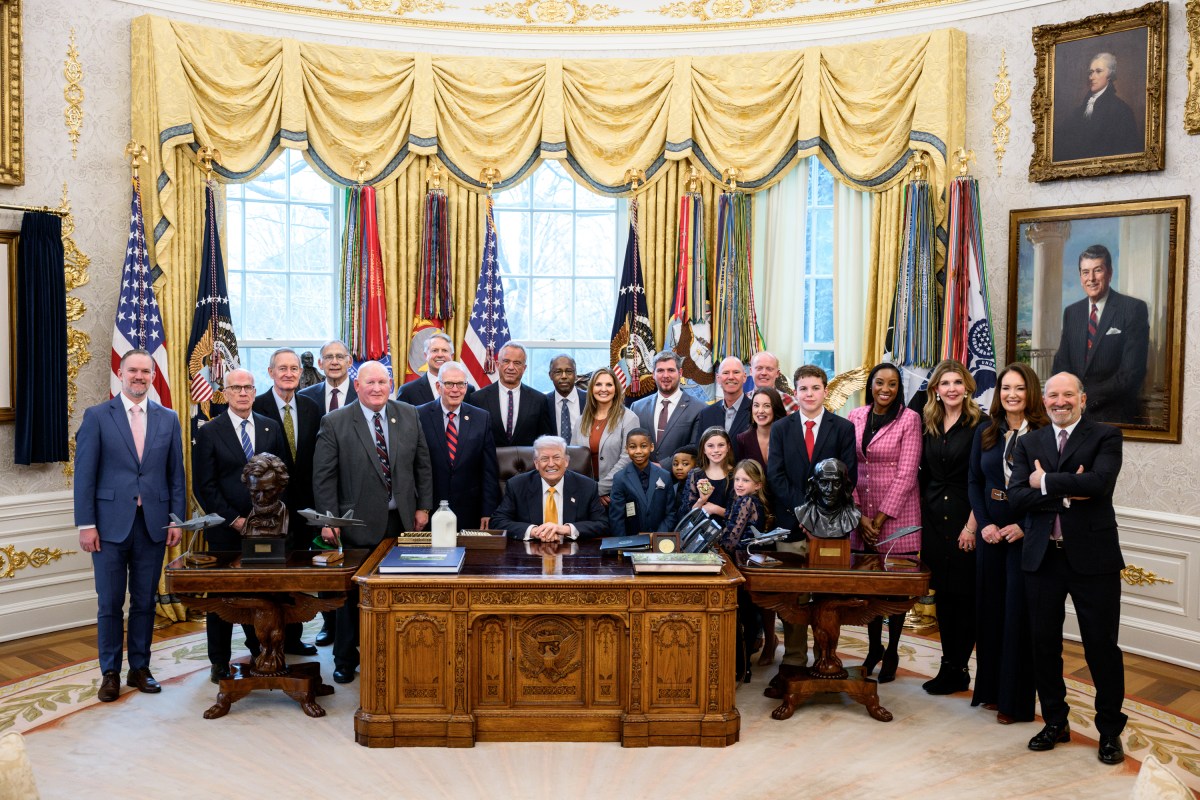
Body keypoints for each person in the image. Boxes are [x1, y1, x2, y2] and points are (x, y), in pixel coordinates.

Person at [1009, 372, 1128, 765]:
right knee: (1044, 645)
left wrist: (1044, 481)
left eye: (1067, 395)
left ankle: (1109, 731)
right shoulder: (1029, 442)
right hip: (1043, 558)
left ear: (1082, 398)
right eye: (1052, 395)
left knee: (1101, 648)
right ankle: (1055, 721)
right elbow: (1017, 497)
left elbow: (1098, 484)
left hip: (1094, 560)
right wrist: (1065, 491)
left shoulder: (1106, 436)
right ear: (1044, 401)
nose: (1060, 401)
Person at [74, 349, 185, 702]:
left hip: (152, 525)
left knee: (144, 602)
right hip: (107, 527)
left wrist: (176, 519)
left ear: (153, 376)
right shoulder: (97, 417)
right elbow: (85, 476)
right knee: (109, 604)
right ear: (120, 374)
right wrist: (86, 524)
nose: (139, 377)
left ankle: (140, 667)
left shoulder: (168, 418)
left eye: (146, 372)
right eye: (133, 370)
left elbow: (176, 476)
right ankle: (109, 673)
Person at [312, 360, 433, 684]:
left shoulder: (408, 413)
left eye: (383, 382)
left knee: (398, 595)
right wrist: (329, 518)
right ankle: (345, 659)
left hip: (403, 523)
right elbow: (324, 477)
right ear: (357, 386)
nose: (377, 388)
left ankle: (395, 654)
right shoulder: (335, 421)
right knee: (350, 597)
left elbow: (422, 465)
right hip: (355, 524)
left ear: (390, 384)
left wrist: (424, 507)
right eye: (371, 383)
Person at [191, 367, 286, 682]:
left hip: (267, 531)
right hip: (225, 531)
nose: (243, 393)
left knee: (259, 595)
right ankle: (219, 660)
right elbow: (204, 486)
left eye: (248, 388)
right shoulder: (209, 432)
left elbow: (283, 476)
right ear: (225, 392)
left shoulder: (271, 428)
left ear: (254, 391)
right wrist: (235, 520)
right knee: (223, 598)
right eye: (236, 388)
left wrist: (266, 520)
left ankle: (260, 650)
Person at [968, 362, 1048, 725]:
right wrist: (983, 525)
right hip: (990, 532)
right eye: (1005, 389)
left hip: (1025, 531)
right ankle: (990, 690)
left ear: (1030, 393)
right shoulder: (986, 430)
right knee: (989, 612)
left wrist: (1023, 526)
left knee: (1017, 616)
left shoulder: (1045, 434)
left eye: (1018, 388)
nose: (1011, 395)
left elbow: (1050, 489)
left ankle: (1014, 702)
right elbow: (973, 482)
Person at [765, 365, 857, 678]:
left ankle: (826, 656)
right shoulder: (781, 428)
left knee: (827, 595)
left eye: (815, 388)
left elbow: (848, 477)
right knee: (794, 594)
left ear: (825, 391)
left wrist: (820, 518)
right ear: (794, 392)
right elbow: (775, 475)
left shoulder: (842, 428)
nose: (809, 394)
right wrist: (804, 512)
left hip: (831, 530)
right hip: (790, 524)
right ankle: (792, 661)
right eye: (803, 388)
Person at [848, 362, 922, 683]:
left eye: (892, 384)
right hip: (861, 511)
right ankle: (874, 646)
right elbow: (847, 465)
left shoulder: (910, 419)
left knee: (895, 588)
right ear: (871, 384)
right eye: (880, 383)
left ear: (899, 388)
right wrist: (859, 515)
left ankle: (892, 649)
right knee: (869, 585)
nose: (885, 390)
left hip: (897, 516)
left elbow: (907, 474)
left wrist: (877, 520)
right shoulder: (855, 416)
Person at [919, 359, 984, 696]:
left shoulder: (981, 424)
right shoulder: (928, 423)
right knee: (944, 597)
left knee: (965, 597)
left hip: (965, 520)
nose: (952, 389)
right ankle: (950, 668)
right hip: (932, 521)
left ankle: (961, 667)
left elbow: (984, 479)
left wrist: (972, 527)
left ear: (967, 387)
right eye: (945, 384)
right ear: (936, 390)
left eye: (957, 382)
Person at [252, 347, 321, 655]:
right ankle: (265, 641)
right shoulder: (256, 406)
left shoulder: (311, 407)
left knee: (298, 576)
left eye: (294, 368)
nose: (289, 373)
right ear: (271, 372)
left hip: (305, 507)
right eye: (283, 368)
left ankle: (293, 638)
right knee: (269, 577)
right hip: (270, 510)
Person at [297, 339, 356, 646]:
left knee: (355, 564)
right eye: (328, 357)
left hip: (358, 492)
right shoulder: (305, 398)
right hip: (319, 492)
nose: (334, 362)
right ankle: (329, 624)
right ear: (320, 364)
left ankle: (355, 628)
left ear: (350, 362)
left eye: (340, 357)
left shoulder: (366, 394)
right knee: (324, 561)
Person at [1050, 244, 1149, 425]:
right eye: (1085, 272)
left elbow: (1131, 374)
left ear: (1109, 273)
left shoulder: (1133, 309)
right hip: (1072, 417)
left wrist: (1084, 398)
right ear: (1080, 277)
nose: (1091, 278)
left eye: (1098, 270)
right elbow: (1061, 364)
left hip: (1114, 417)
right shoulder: (1072, 312)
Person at [416, 361, 499, 529]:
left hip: (470, 511)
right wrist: (420, 506)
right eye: (449, 384)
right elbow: (412, 467)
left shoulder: (482, 418)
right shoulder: (418, 415)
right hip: (430, 510)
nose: (456, 389)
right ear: (439, 386)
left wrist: (487, 511)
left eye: (461, 384)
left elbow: (489, 470)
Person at [491, 435, 608, 541]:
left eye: (557, 457)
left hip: (573, 556)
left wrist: (566, 529)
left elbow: (602, 524)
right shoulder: (517, 485)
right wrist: (533, 531)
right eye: (544, 459)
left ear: (566, 461)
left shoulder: (587, 486)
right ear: (536, 463)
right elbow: (498, 522)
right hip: (529, 556)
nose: (551, 464)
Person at [723, 459, 768, 683]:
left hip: (741, 566)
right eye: (737, 479)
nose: (739, 484)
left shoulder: (746, 502)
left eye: (746, 480)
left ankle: (740, 666)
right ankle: (745, 667)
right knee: (750, 615)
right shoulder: (748, 501)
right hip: (751, 565)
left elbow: (730, 541)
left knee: (742, 616)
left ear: (758, 485)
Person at [1053, 52, 1143, 163]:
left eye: (1098, 71)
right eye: (1091, 72)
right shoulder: (1080, 110)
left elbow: (1127, 152)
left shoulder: (1121, 110)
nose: (1092, 77)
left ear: (1110, 75)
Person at [572, 367, 641, 503]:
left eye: (609, 384)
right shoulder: (581, 420)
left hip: (617, 494)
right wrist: (589, 491)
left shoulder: (629, 418)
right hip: (584, 494)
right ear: (591, 388)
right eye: (598, 384)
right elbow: (573, 457)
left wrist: (599, 489)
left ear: (616, 389)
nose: (603, 389)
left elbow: (627, 458)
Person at [474, 342, 554, 447]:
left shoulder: (539, 400)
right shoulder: (478, 398)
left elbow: (545, 441)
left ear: (524, 368)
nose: (511, 367)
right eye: (506, 361)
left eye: (517, 363)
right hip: (490, 462)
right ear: (498, 365)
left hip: (527, 462)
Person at [631, 351, 703, 466]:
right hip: (642, 477)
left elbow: (695, 447)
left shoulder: (698, 409)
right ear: (653, 374)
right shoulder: (637, 407)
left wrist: (663, 466)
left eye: (670, 370)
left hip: (679, 480)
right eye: (660, 370)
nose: (665, 375)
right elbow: (632, 444)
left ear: (680, 373)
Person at [608, 428, 675, 537]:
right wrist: (625, 544)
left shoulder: (665, 476)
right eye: (633, 447)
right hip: (631, 541)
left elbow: (670, 513)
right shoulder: (620, 478)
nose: (638, 451)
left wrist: (657, 537)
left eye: (643, 446)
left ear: (651, 447)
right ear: (626, 449)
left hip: (659, 541)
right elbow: (616, 517)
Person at [395, 331, 475, 406]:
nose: (440, 354)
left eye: (444, 350)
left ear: (452, 356)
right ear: (426, 355)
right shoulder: (408, 391)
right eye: (435, 350)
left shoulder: (468, 390)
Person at [679, 427, 736, 522]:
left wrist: (715, 509)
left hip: (728, 532)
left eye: (721, 445)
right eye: (710, 446)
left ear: (728, 447)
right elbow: (687, 516)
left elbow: (739, 515)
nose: (716, 450)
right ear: (704, 449)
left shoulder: (736, 475)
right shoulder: (695, 474)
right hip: (700, 532)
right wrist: (702, 500)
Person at [696, 356, 751, 446]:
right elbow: (700, 450)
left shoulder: (755, 411)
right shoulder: (706, 414)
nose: (731, 377)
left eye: (736, 372)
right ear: (718, 378)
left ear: (744, 377)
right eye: (726, 373)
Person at [736, 386, 785, 469]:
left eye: (767, 406)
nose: (760, 411)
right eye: (756, 405)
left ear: (775, 408)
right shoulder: (743, 439)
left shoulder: (787, 438)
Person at [544, 354, 585, 445]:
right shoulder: (543, 402)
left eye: (569, 371)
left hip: (584, 456)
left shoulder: (590, 400)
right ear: (550, 375)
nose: (564, 376)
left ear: (575, 374)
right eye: (558, 372)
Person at [668, 445, 698, 525]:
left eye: (685, 464)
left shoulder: (698, 489)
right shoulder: (673, 487)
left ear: (696, 465)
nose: (679, 468)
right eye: (675, 464)